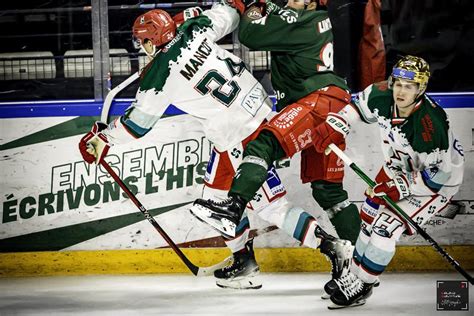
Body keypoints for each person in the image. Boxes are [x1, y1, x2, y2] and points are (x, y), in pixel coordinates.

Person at [78, 3, 351, 290]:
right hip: (254, 114)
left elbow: (136, 125)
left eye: (142, 41)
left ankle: (331, 246)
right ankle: (243, 262)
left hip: (242, 135)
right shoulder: (195, 30)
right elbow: (231, 11)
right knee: (215, 198)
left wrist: (102, 138)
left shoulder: (160, 75)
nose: (140, 47)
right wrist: (195, 14)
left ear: (150, 40)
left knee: (271, 207)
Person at [191, 0, 361, 290]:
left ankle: (232, 207)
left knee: (264, 143)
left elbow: (250, 35)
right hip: (331, 103)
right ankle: (359, 267)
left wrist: (257, 5)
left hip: (314, 101)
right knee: (327, 190)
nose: (289, 1)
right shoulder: (313, 17)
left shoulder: (298, 17)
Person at [312, 55, 465, 308]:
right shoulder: (381, 93)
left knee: (385, 228)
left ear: (421, 89)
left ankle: (363, 285)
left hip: (433, 184)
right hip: (397, 168)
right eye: (398, 84)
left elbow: (438, 176)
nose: (400, 91)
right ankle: (354, 274)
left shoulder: (429, 125)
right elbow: (355, 109)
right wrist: (335, 125)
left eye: (409, 86)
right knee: (368, 217)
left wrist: (399, 188)